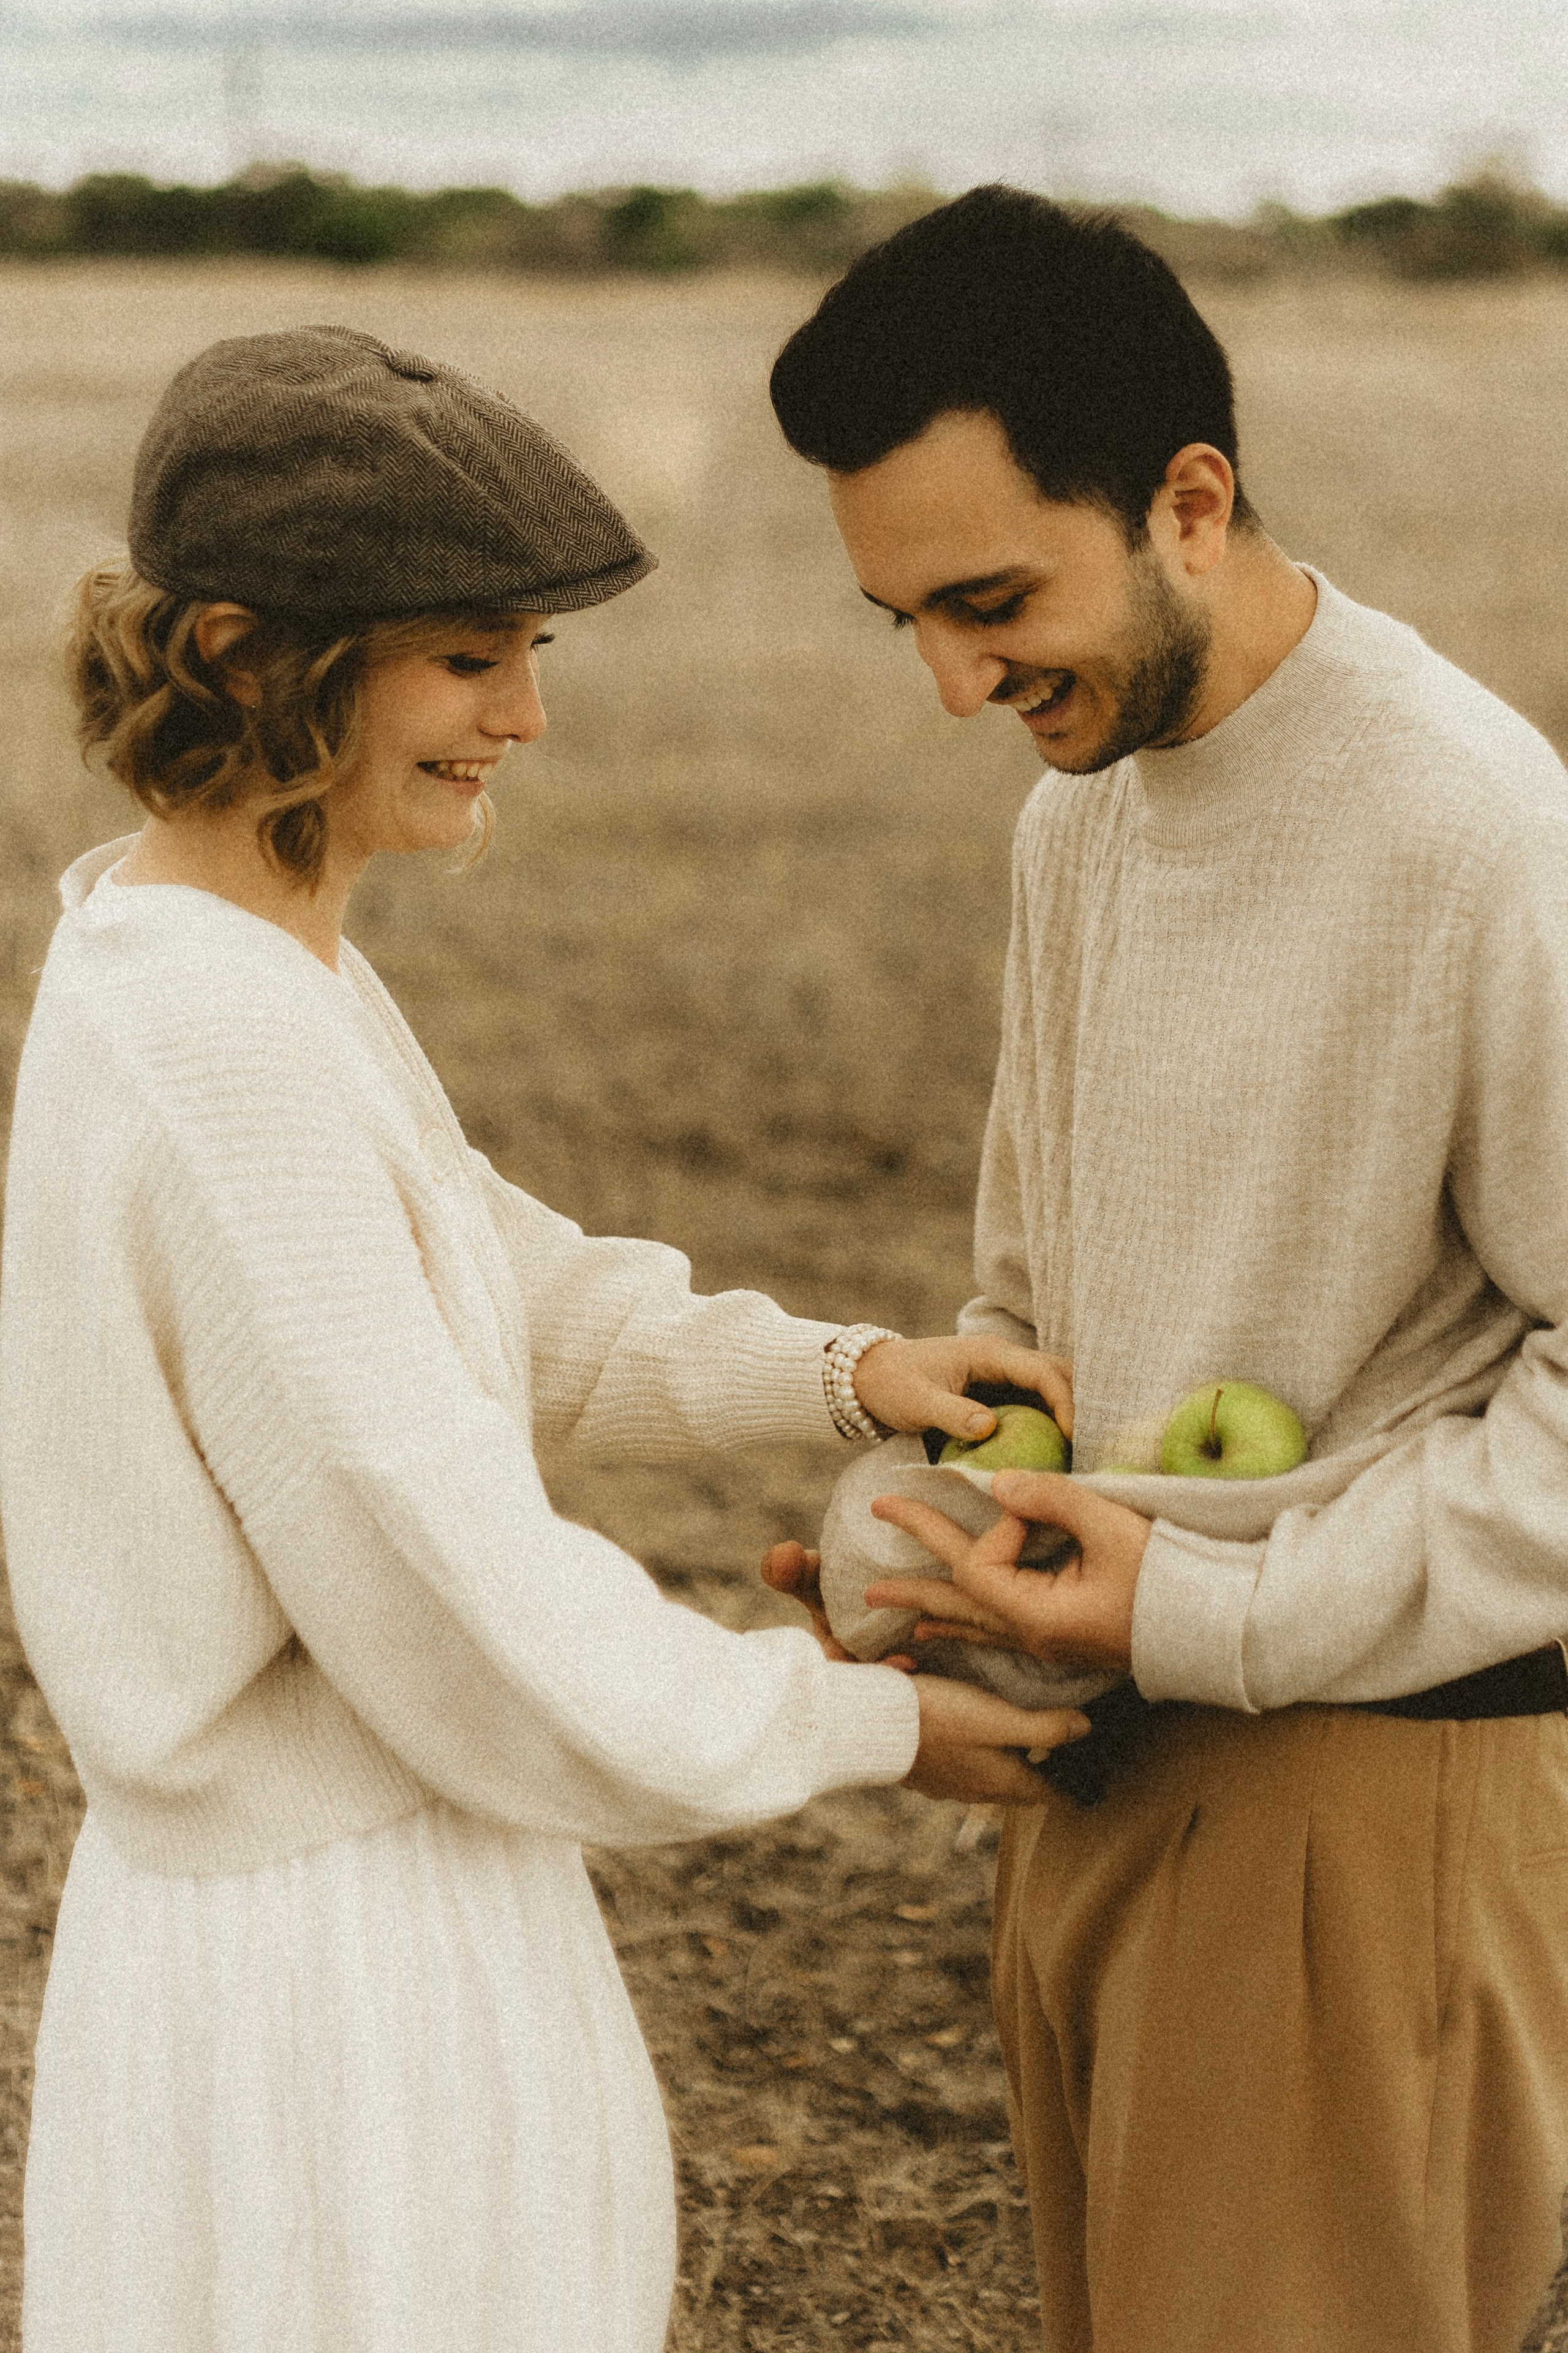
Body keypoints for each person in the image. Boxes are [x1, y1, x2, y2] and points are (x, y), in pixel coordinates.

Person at [0, 323, 1091, 2353]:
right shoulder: (220, 1048)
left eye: (535, 655)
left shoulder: (234, 956)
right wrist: (869, 1722)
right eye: (469, 654)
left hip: (351, 1907)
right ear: (249, 654)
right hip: (325, 1990)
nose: (523, 715)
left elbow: (475, 1285)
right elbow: (455, 1587)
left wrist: (835, 1373)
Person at [764, 187, 1568, 2353]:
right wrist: (952, 1527)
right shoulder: (1082, 810)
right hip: (1102, 1764)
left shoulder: (1481, 834)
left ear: (1189, 501)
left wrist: (1203, 1602)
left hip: (1367, 1799)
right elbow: (1040, 1282)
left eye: (992, 597)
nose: (951, 682)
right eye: (900, 619)